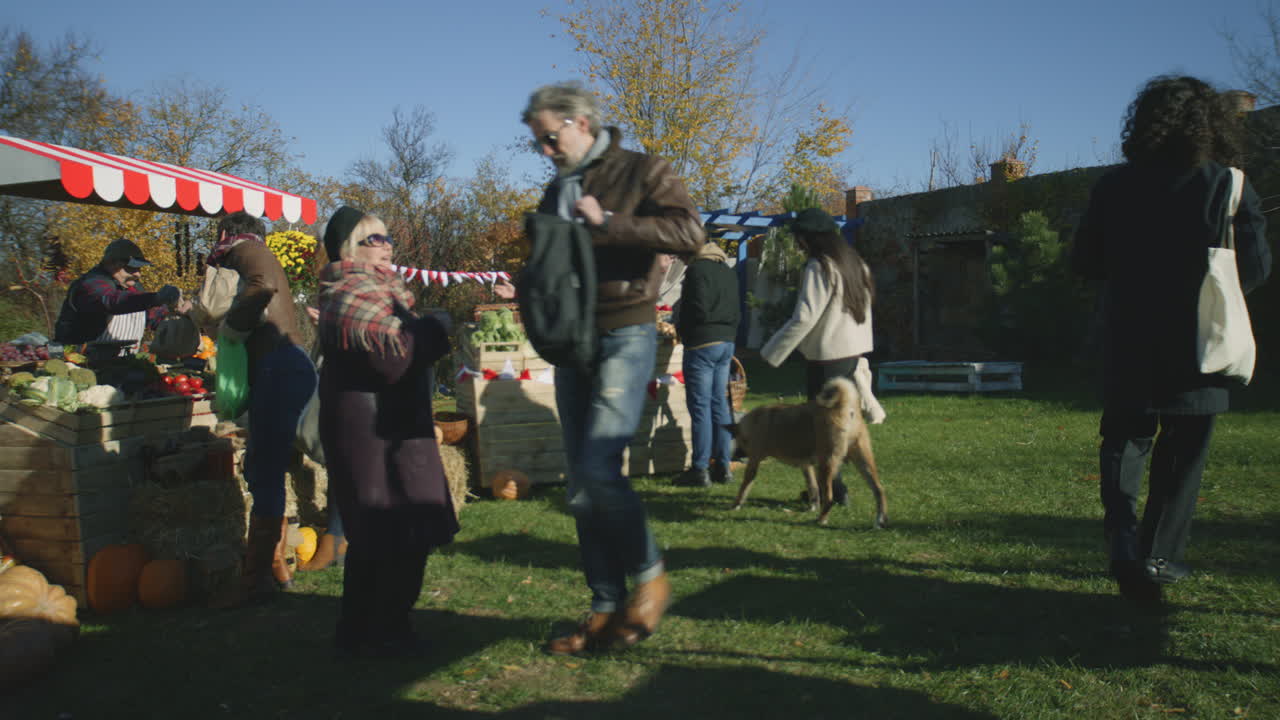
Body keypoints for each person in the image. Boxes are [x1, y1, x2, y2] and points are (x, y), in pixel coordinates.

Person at [1072, 75, 1271, 608]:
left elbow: (1085, 262)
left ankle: (1121, 540)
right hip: (1200, 340)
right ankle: (1156, 555)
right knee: (1183, 451)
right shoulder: (1226, 184)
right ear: (1209, 122)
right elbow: (1255, 267)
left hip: (1128, 334)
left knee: (1123, 441)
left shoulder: (1113, 185)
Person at [522, 82, 703, 655]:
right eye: (539, 145)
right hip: (574, 341)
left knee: (600, 464)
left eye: (551, 139)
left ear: (581, 123)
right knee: (580, 486)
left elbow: (690, 233)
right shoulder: (556, 187)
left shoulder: (643, 170)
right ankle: (602, 609)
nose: (547, 152)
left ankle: (650, 578)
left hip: (627, 328)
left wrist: (611, 223)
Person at [317, 205, 458, 658]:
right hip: (367, 433)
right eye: (370, 239)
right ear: (345, 249)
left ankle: (388, 626)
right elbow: (393, 357)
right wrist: (435, 328)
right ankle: (365, 633)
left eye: (386, 238)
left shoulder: (386, 292)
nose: (384, 246)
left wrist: (424, 325)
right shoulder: (346, 291)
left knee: (409, 535)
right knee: (381, 538)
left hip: (397, 429)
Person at [206, 211, 317, 606]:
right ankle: (274, 570)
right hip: (283, 366)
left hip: (277, 368)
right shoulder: (252, 252)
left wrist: (233, 327)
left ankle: (256, 580)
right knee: (269, 467)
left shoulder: (247, 249)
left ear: (225, 233)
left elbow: (263, 285)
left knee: (264, 469)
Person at [759, 208, 886, 504]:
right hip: (850, 355)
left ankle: (833, 492)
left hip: (826, 359)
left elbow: (804, 317)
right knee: (843, 428)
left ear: (810, 237)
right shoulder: (856, 264)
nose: (797, 244)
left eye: (799, 238)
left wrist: (771, 351)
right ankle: (836, 489)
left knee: (823, 431)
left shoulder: (819, 267)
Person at [672, 238, 741, 488]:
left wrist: (681, 330)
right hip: (726, 342)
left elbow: (695, 307)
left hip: (701, 343)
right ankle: (723, 466)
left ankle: (700, 469)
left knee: (700, 407)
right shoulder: (727, 270)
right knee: (719, 404)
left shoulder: (697, 270)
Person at [53, 238, 190, 358]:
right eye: (131, 268)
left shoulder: (134, 288)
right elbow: (111, 301)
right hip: (80, 361)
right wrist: (155, 298)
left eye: (139, 269)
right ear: (111, 264)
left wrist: (181, 316)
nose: (138, 275)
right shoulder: (91, 283)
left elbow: (154, 317)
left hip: (122, 362)